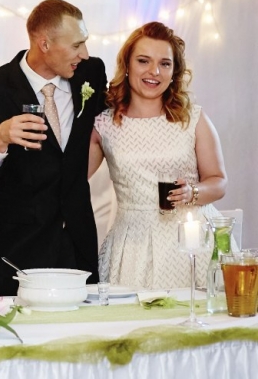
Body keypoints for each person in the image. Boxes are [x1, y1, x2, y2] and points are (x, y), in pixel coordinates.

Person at [0, 0, 107, 296]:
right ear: (44, 44)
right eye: (76, 45)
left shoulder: (91, 73)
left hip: (77, 247)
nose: (84, 53)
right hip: (15, 253)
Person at [88, 21, 227, 289]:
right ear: (127, 65)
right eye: (143, 61)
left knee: (197, 313)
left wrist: (192, 192)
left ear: (174, 71)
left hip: (191, 242)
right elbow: (71, 179)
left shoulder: (192, 118)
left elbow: (219, 181)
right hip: (133, 246)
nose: (154, 71)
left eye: (165, 63)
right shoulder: (104, 124)